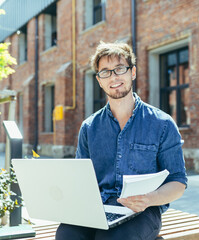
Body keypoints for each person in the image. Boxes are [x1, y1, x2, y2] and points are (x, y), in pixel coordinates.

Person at [55, 41, 187, 240]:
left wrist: (149, 199)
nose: (114, 77)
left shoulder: (163, 124)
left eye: (119, 69)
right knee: (66, 236)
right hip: (98, 207)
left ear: (132, 72)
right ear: (99, 80)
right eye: (105, 72)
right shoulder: (89, 127)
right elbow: (82, 181)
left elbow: (178, 182)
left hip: (143, 211)